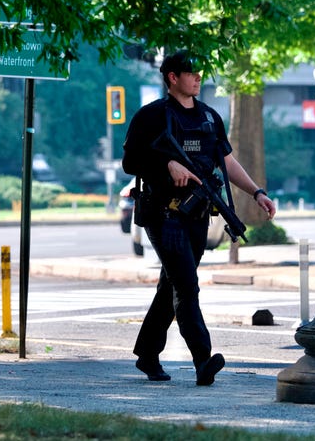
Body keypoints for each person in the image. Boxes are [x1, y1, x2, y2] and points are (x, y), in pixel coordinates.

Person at [122, 50, 276, 385]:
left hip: (197, 214)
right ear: (172, 77)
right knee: (187, 286)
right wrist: (166, 165)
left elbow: (227, 162)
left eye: (199, 72)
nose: (198, 78)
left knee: (172, 286)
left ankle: (147, 353)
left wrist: (257, 192)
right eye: (190, 73)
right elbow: (130, 162)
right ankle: (202, 360)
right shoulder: (152, 116)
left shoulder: (208, 117)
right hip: (163, 213)